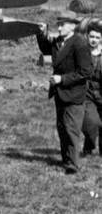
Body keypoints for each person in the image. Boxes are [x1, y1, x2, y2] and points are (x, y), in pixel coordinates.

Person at [37, 13, 92, 174]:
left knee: (71, 129)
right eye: (58, 24)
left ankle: (73, 164)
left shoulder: (79, 44)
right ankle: (66, 159)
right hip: (60, 93)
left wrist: (62, 79)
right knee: (62, 127)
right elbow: (45, 48)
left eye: (62, 25)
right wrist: (41, 33)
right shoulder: (59, 42)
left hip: (74, 94)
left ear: (73, 26)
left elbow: (85, 72)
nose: (59, 27)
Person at [82, 20, 102, 156]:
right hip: (86, 94)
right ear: (87, 36)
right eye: (92, 37)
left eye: (97, 37)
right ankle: (88, 146)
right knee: (92, 123)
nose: (94, 40)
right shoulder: (81, 52)